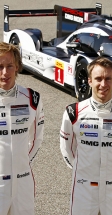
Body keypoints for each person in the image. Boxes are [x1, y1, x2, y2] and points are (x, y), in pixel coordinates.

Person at [60, 56, 112, 215]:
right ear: (89, 81)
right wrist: (82, 172)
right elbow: (67, 150)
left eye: (108, 79)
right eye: (98, 79)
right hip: (83, 189)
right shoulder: (73, 112)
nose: (103, 84)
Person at [0, 42, 44, 215]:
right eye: (0, 66)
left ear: (17, 67)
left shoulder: (32, 98)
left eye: (9, 66)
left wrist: (21, 164)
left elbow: (37, 138)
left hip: (23, 181)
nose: (5, 73)